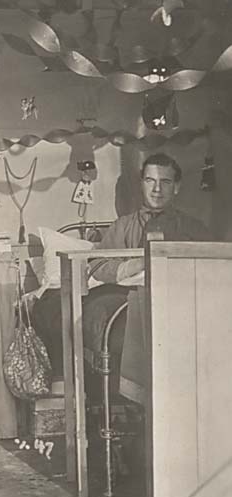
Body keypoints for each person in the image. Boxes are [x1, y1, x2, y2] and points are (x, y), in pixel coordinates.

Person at [31, 152, 212, 403]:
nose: (157, 189)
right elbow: (98, 265)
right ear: (141, 184)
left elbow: (209, 269)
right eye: (150, 181)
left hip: (179, 298)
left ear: (177, 187)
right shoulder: (123, 226)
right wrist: (135, 264)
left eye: (165, 182)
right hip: (127, 297)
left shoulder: (193, 228)